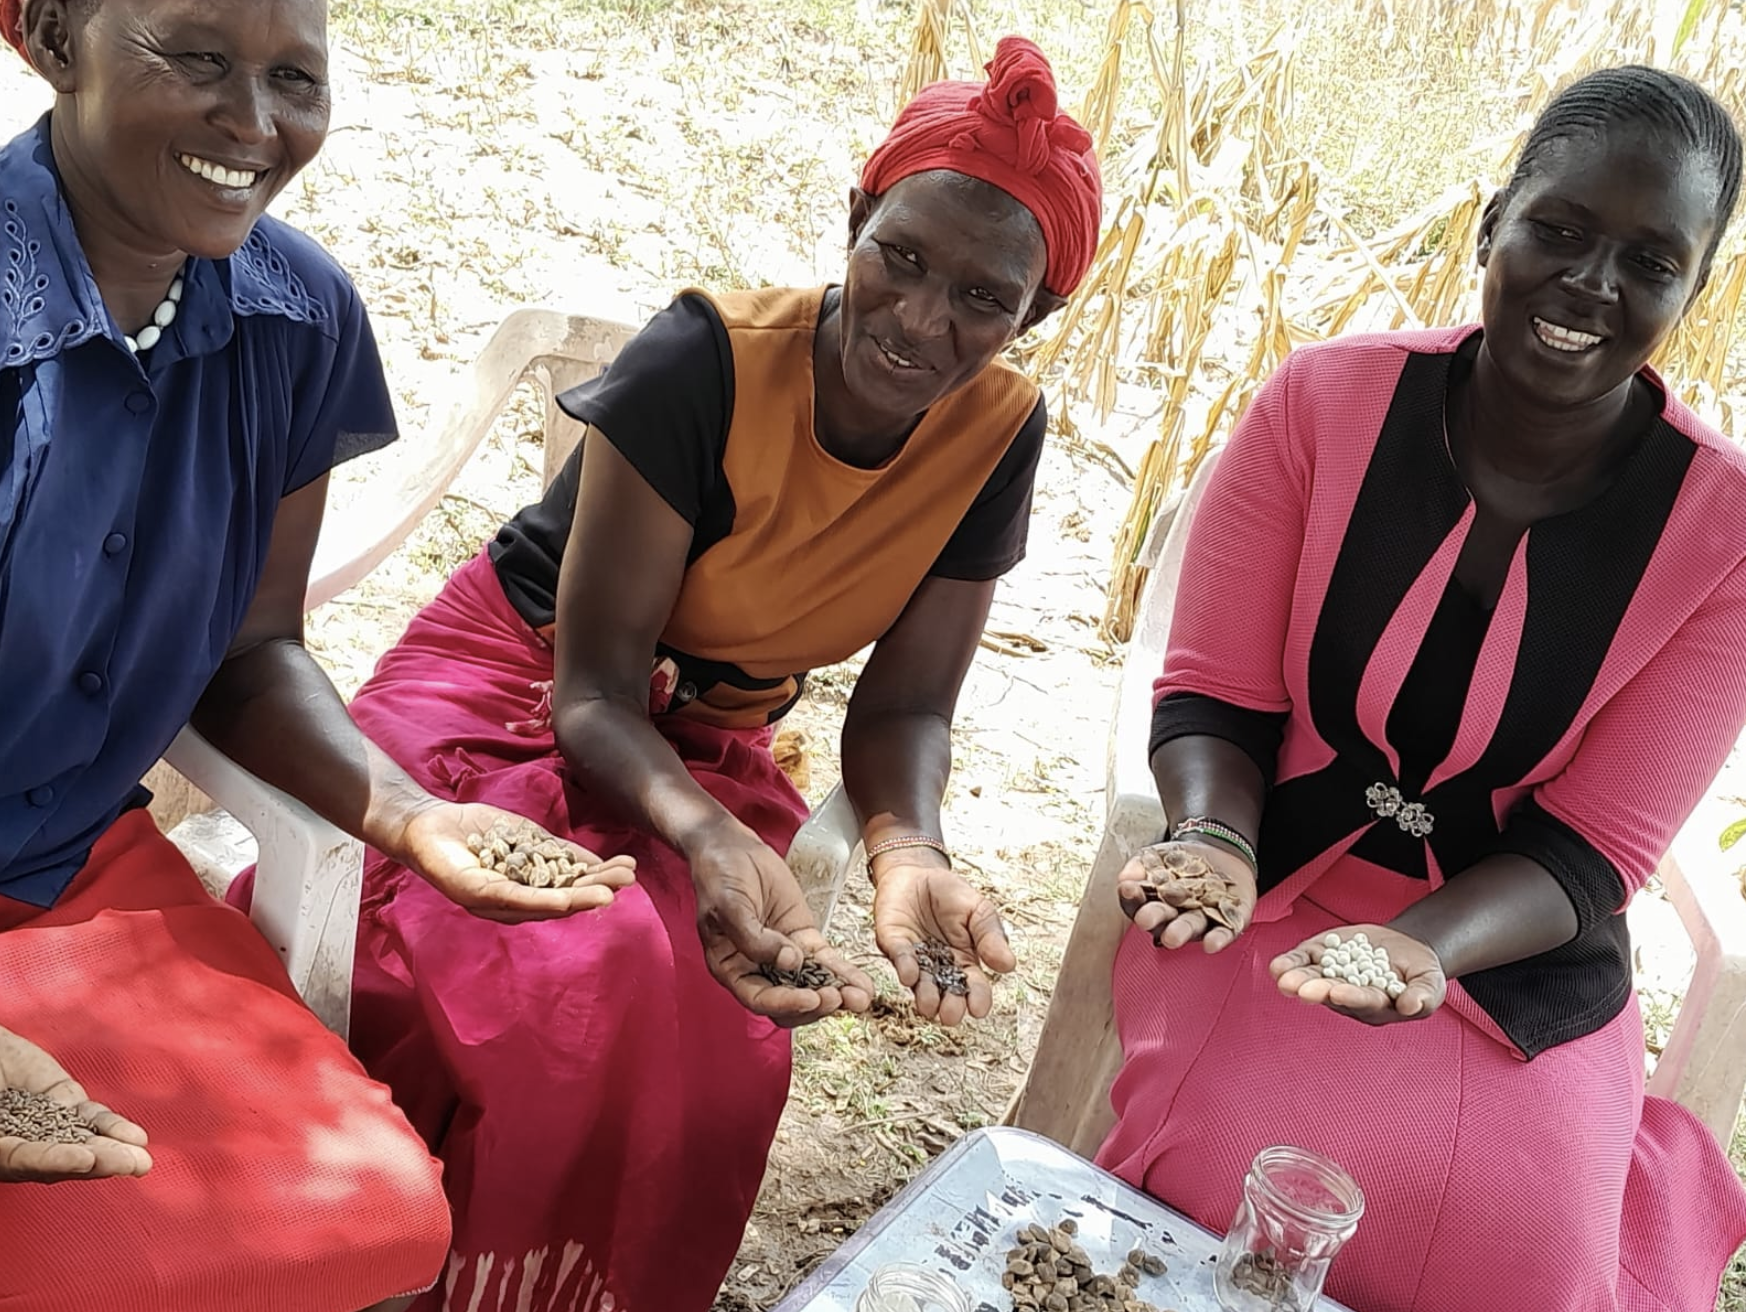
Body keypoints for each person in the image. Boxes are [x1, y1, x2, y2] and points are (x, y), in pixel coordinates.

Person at [304, 35, 1101, 1312]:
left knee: (721, 1033)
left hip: (705, 743)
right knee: (542, 969)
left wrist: (909, 851)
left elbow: (906, 706)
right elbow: (591, 691)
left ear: (1034, 318)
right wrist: (706, 833)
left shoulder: (998, 432)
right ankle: (386, 1263)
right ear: (854, 218)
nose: (921, 319)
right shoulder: (707, 360)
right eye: (901, 257)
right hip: (517, 678)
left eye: (981, 298)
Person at [0, 0, 634, 1308]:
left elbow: (252, 650)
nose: (253, 122)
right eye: (198, 57)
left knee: (381, 1216)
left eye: (295, 76)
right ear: (53, 36)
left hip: (75, 862)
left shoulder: (296, 320)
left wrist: (406, 814)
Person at [1100, 65, 1746, 1312]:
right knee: (1223, 1193)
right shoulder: (1322, 403)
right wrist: (1213, 836)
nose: (1591, 284)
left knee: (1524, 1258)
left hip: (1511, 947)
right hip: (1263, 889)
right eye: (1559, 230)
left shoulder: (1725, 531)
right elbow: (1215, 697)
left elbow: (1592, 848)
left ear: (1693, 289)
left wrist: (1419, 948)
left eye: (1649, 261)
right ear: (1494, 221)